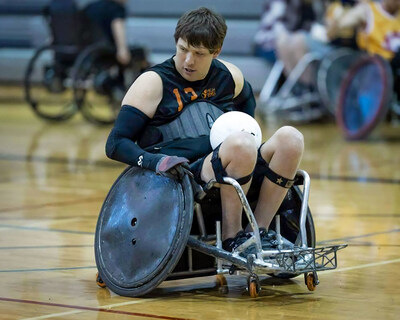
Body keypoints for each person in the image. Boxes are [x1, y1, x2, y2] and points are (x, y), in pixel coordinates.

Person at [105, 7, 304, 252]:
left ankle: (258, 232)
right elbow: (115, 143)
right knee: (241, 145)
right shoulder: (152, 82)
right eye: (183, 49)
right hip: (184, 172)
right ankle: (232, 236)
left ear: (215, 52)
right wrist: (156, 161)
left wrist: (249, 150)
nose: (188, 60)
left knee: (291, 139)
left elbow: (247, 113)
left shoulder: (230, 77)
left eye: (198, 53)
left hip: (231, 160)